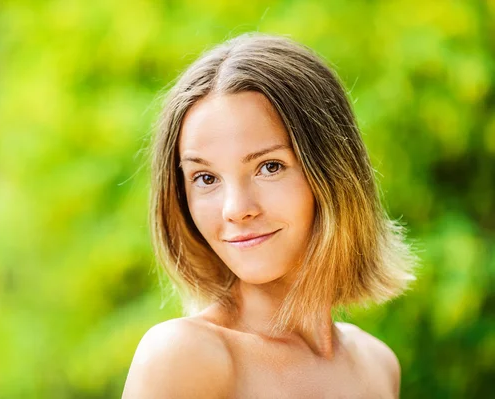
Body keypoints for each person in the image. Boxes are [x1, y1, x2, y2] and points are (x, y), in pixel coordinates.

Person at [122, 32, 416, 398]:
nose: (236, 209)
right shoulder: (183, 356)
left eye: (269, 167)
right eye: (206, 177)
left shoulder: (377, 365)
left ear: (332, 172)